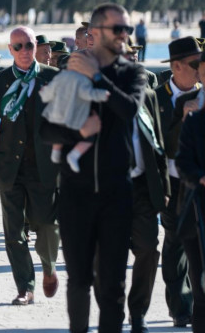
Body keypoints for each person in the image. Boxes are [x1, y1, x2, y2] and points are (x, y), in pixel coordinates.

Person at [41, 3, 147, 332]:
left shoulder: (132, 72)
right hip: (76, 193)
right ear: (97, 33)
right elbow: (45, 130)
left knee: (112, 286)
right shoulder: (69, 72)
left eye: (127, 29)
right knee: (79, 281)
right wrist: (77, 132)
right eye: (118, 29)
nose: (125, 35)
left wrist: (97, 76)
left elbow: (129, 109)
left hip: (117, 194)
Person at [0, 26, 59, 304]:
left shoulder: (54, 79)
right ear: (10, 49)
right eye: (17, 47)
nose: (24, 51)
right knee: (14, 233)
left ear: (36, 46)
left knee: (47, 226)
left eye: (28, 45)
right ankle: (25, 286)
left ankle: (49, 266)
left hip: (45, 168)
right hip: (9, 169)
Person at [121, 42, 171, 333]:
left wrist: (162, 187)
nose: (132, 61)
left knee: (148, 250)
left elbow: (158, 144)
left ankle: (138, 311)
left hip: (141, 188)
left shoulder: (148, 96)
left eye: (134, 56)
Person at [156, 36, 202, 327]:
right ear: (175, 66)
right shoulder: (156, 96)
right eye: (193, 64)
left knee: (198, 246)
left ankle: (199, 304)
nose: (199, 69)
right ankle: (180, 306)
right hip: (171, 183)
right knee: (175, 245)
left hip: (199, 182)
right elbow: (154, 142)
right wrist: (180, 115)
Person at [175, 84, 205, 333]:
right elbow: (182, 161)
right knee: (201, 288)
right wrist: (201, 177)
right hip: (197, 213)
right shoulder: (193, 119)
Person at [40, 68, 109, 173]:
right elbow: (88, 93)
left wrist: (43, 93)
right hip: (73, 117)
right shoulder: (82, 80)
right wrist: (103, 95)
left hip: (56, 116)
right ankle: (74, 155)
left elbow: (48, 92)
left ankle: (56, 151)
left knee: (58, 135)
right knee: (89, 138)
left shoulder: (60, 78)